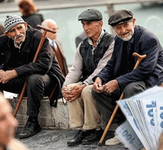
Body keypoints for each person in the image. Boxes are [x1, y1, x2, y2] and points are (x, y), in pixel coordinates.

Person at [0, 15, 65, 139]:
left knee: (34, 78)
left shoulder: (38, 38)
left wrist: (13, 73)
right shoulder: (4, 41)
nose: (18, 33)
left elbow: (43, 65)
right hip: (22, 80)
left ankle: (33, 121)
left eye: (20, 28)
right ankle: (1, 119)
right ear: (7, 34)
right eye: (12, 31)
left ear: (25, 25)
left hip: (47, 80)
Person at [92, 9, 163, 145]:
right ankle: (124, 129)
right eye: (118, 28)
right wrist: (100, 78)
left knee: (130, 89)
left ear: (134, 22)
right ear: (114, 29)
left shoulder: (148, 39)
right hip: (127, 81)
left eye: (126, 25)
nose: (123, 30)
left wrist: (118, 82)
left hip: (150, 81)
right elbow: (112, 63)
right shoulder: (119, 40)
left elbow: (145, 70)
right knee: (98, 92)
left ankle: (138, 133)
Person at [62, 8, 115, 146]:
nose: (85, 28)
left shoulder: (112, 42)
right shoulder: (83, 45)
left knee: (86, 90)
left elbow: (101, 69)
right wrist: (64, 86)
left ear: (100, 24)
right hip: (88, 81)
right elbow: (75, 69)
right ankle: (81, 128)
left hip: (105, 81)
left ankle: (94, 128)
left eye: (89, 24)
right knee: (70, 88)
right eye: (83, 24)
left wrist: (83, 85)